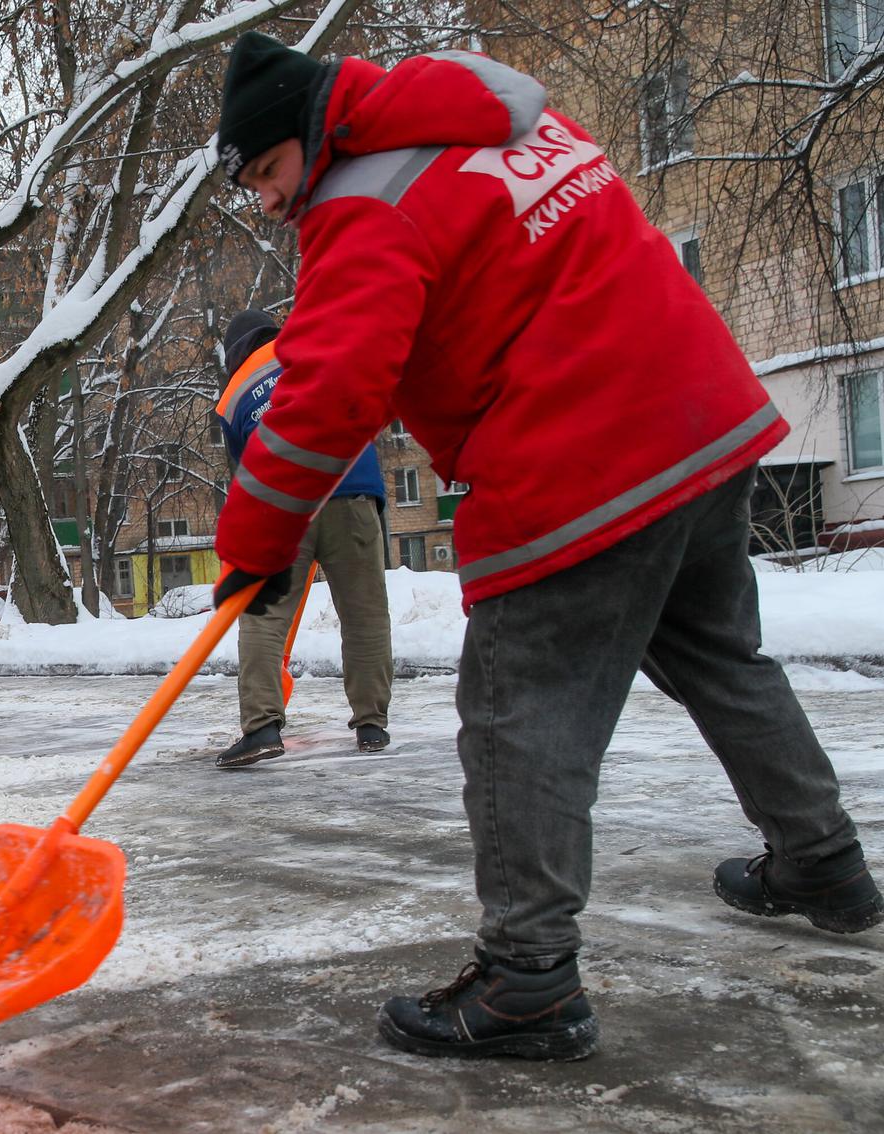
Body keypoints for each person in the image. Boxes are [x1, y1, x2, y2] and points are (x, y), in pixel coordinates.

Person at [211, 33, 884, 1059]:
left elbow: (330, 392)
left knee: (517, 717)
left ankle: (527, 981)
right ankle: (823, 864)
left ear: (313, 131)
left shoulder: (359, 203)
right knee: (717, 656)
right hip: (697, 420)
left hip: (581, 456)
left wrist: (254, 541)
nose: (266, 199)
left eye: (265, 171)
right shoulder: (498, 124)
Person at [214, 308, 393, 767]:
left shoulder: (234, 395)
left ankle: (262, 728)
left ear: (235, 354)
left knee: (264, 618)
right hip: (351, 485)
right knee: (364, 615)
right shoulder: (321, 346)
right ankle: (371, 725)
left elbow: (245, 471)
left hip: (280, 503)